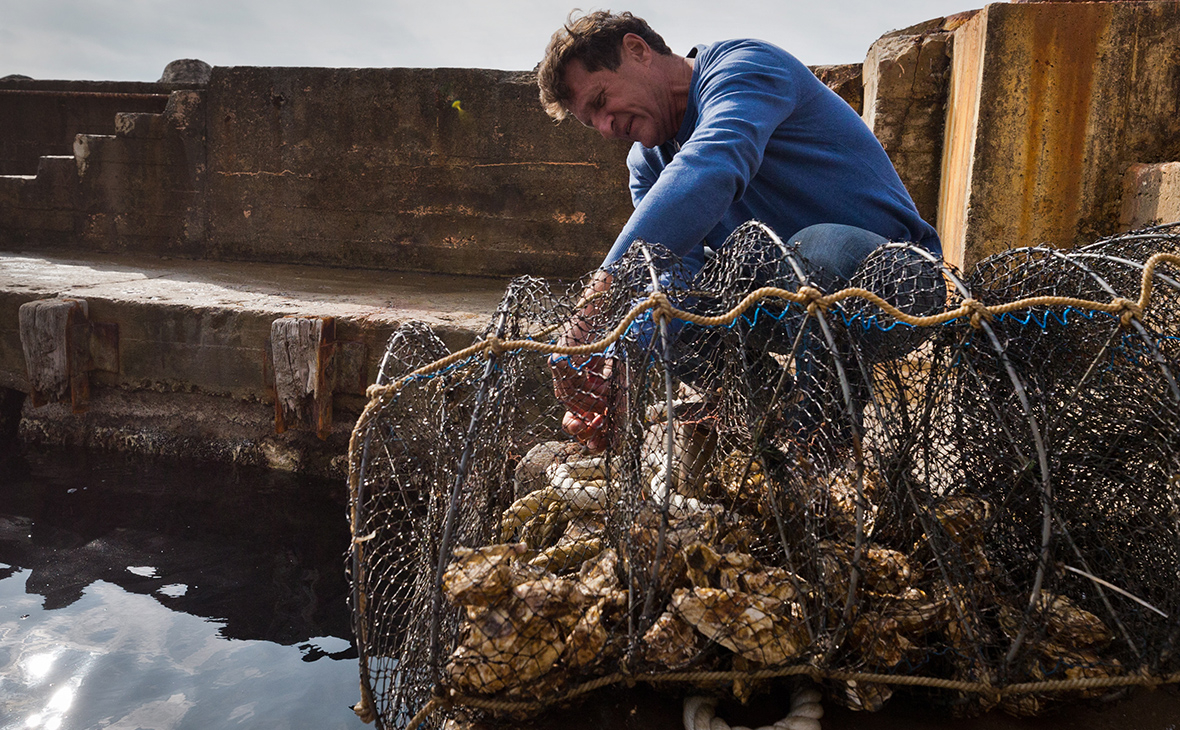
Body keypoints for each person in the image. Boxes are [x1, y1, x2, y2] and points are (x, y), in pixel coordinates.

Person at [537, 10, 942, 452]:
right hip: (782, 305)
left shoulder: (745, 68)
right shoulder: (648, 165)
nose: (604, 127)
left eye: (599, 102)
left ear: (637, 51)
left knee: (815, 247)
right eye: (589, 121)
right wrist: (617, 363)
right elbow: (667, 279)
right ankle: (776, 432)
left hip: (893, 289)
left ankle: (823, 438)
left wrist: (592, 308)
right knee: (666, 315)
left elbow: (713, 165)